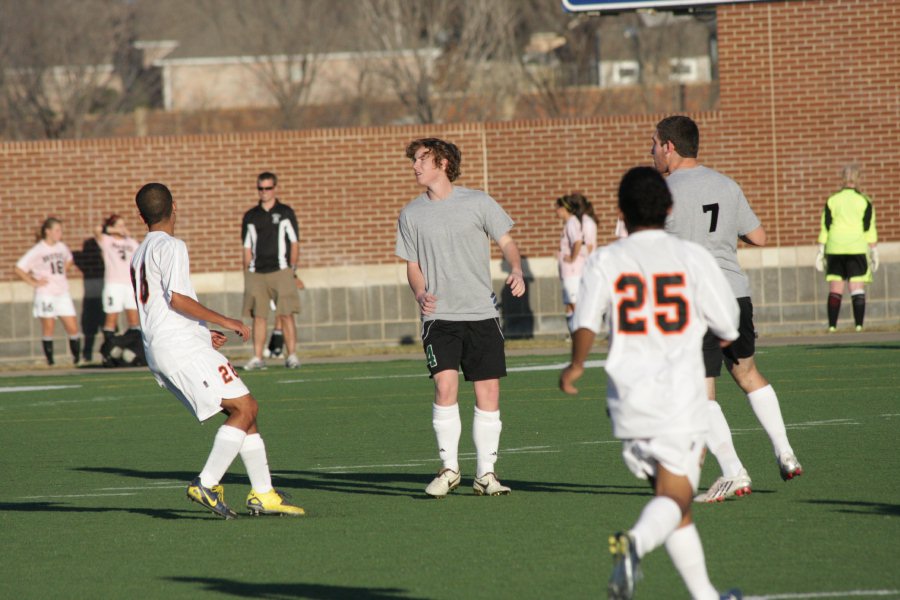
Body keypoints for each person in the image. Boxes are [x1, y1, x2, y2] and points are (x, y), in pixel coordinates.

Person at [560, 167, 742, 600]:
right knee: (677, 496)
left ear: (621, 212)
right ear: (670, 208)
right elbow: (729, 326)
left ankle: (707, 597)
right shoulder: (691, 257)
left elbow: (586, 321)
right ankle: (633, 545)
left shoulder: (607, 258)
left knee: (669, 499)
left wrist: (576, 365)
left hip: (627, 399)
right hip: (679, 397)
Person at [651, 115, 802, 503]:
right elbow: (759, 236)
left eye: (653, 144)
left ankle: (734, 471)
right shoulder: (726, 184)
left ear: (669, 146)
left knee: (702, 393)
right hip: (734, 295)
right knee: (748, 373)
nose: (651, 152)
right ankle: (785, 451)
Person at [130, 182, 304, 519]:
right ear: (174, 207)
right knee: (245, 408)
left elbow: (161, 308)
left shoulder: (141, 252)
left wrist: (200, 332)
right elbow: (178, 298)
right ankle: (206, 483)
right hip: (179, 348)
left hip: (169, 345)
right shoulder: (172, 246)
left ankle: (264, 493)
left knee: (245, 409)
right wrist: (225, 320)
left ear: (142, 216)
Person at [396, 137, 526, 498]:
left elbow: (508, 242)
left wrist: (515, 269)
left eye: (422, 159)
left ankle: (486, 474)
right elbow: (413, 266)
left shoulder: (479, 201)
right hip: (440, 319)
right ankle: (449, 468)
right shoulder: (410, 214)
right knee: (444, 386)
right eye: (414, 160)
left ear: (443, 162)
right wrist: (420, 292)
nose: (415, 166)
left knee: (488, 391)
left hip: (482, 314)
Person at [241, 171, 302, 370]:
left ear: (274, 188)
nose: (264, 192)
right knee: (259, 315)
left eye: (268, 188)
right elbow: (247, 246)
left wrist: (292, 270)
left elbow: (294, 242)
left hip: (281, 270)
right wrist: (247, 272)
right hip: (257, 272)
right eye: (260, 188)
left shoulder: (285, 212)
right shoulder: (251, 216)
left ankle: (291, 355)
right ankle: (258, 357)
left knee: (286, 314)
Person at [815, 164, 878, 332]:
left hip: (835, 248)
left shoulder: (833, 200)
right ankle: (858, 325)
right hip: (856, 247)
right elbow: (869, 228)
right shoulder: (864, 200)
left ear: (842, 178)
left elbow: (825, 226)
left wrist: (821, 248)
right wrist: (874, 249)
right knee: (856, 287)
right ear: (859, 179)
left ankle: (832, 326)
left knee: (836, 288)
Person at [15, 217, 82, 366]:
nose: (60, 233)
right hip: (46, 293)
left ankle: (77, 359)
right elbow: (19, 268)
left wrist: (63, 271)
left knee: (72, 327)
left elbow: (69, 259)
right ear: (48, 231)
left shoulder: (61, 247)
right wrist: (34, 282)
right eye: (57, 230)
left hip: (62, 292)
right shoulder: (38, 249)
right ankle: (50, 361)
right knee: (48, 327)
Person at [94, 214, 140, 362]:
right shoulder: (108, 241)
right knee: (111, 319)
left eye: (123, 225)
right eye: (118, 225)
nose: (122, 228)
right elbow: (97, 230)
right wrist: (114, 230)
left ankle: (128, 352)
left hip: (129, 285)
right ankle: (108, 353)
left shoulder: (131, 242)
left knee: (134, 321)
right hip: (113, 284)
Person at [556, 194, 586, 333]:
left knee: (575, 303)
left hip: (573, 271)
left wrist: (573, 257)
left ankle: (580, 332)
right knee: (569, 303)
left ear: (563, 209)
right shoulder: (569, 223)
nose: (556, 211)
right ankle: (573, 334)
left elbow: (578, 241)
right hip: (567, 272)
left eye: (557, 208)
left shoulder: (572, 222)